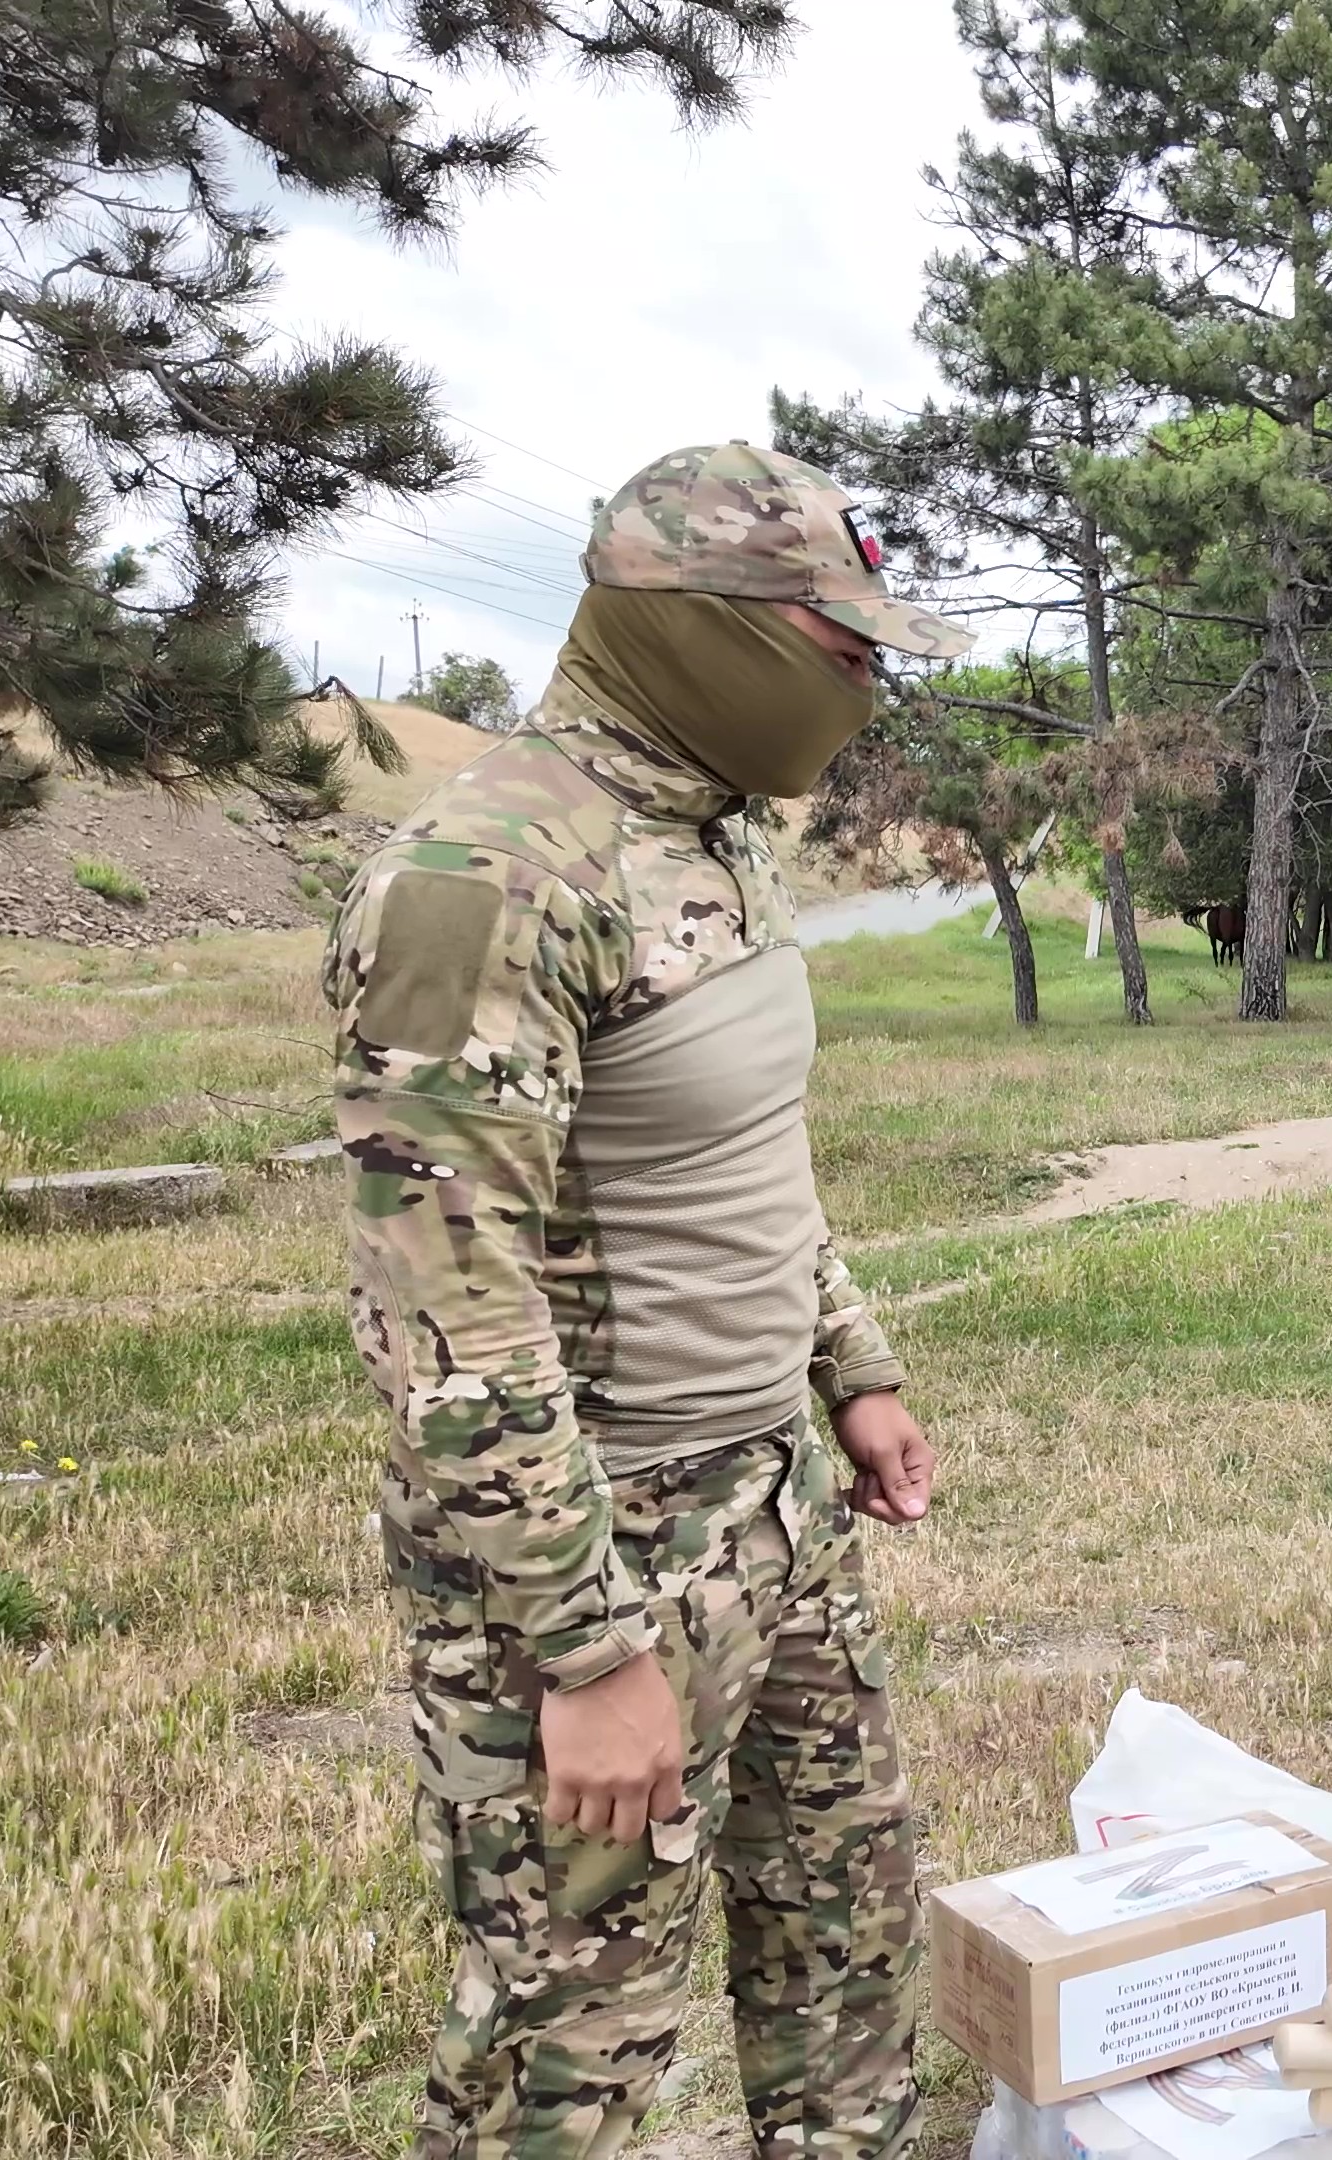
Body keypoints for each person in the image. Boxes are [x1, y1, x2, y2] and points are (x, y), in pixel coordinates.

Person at [326, 441, 971, 2160]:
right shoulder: (490, 879)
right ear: (702, 628)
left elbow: (749, 1153)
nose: (868, 684)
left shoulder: (722, 838)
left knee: (846, 1939)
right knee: (569, 2049)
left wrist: (851, 1368)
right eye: (842, 648)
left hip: (778, 1500)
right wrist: (589, 1649)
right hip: (601, 1540)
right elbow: (444, 1308)